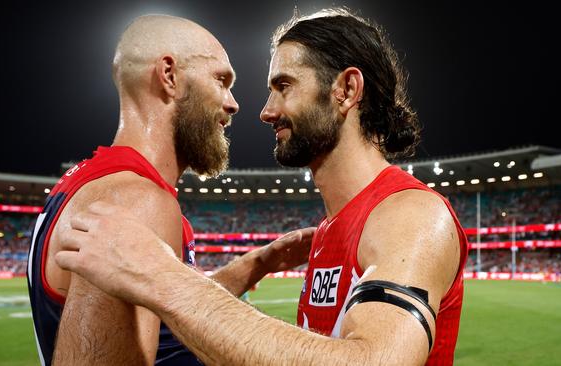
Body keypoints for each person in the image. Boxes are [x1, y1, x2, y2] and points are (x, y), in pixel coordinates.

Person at [55, 8, 468, 365]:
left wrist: (161, 275)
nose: (265, 112)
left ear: (346, 90)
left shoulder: (411, 214)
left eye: (283, 86)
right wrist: (254, 265)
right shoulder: (328, 230)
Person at [26, 14, 314, 366]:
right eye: (221, 81)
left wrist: (260, 263)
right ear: (169, 76)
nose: (233, 103)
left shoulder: (93, 181)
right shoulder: (138, 200)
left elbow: (167, 314)